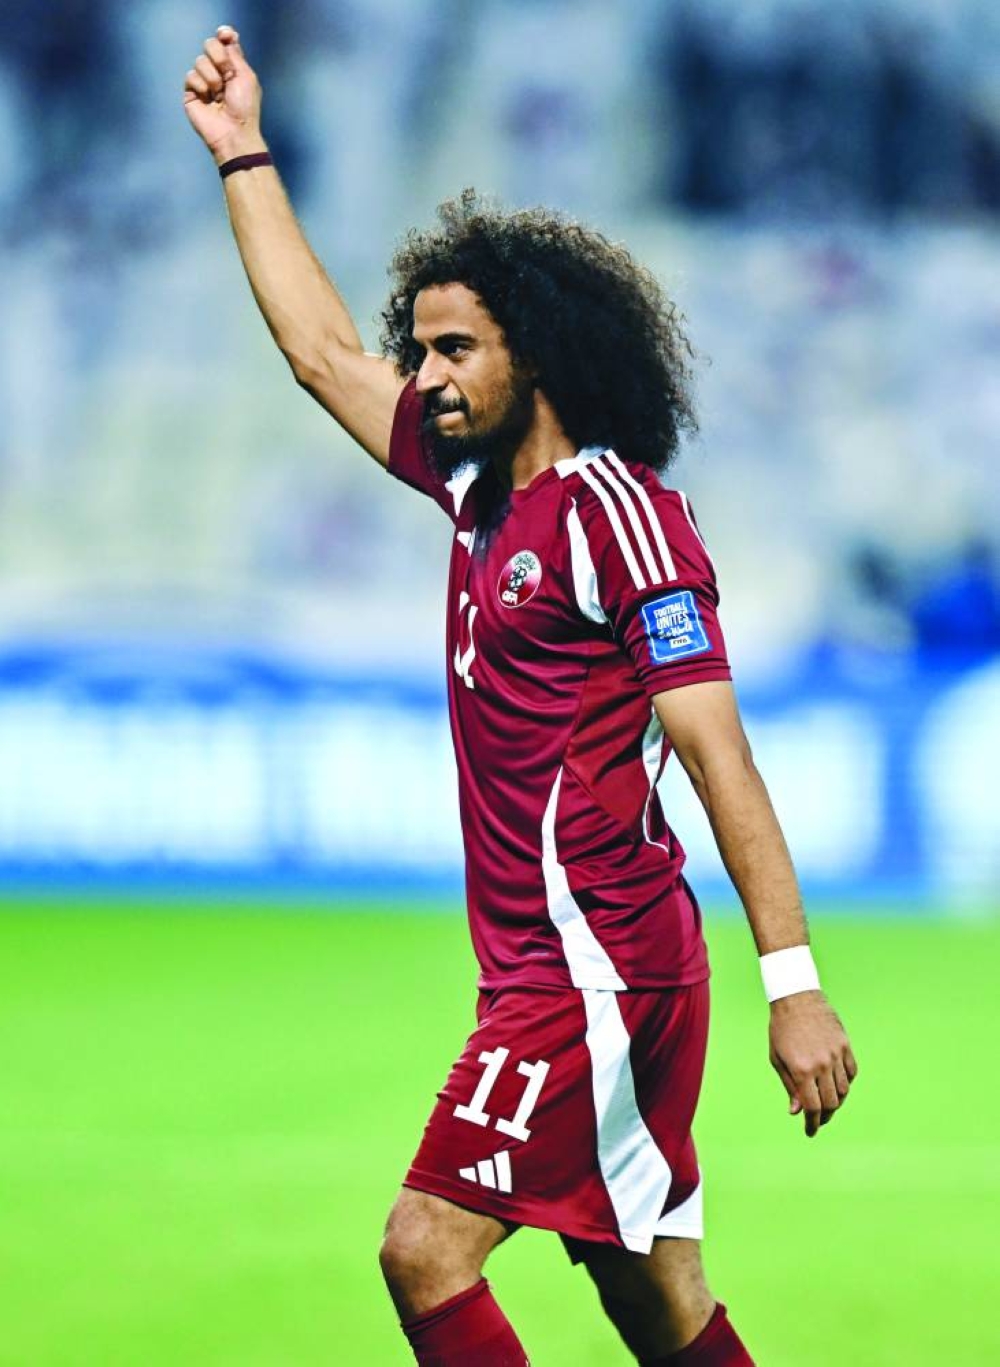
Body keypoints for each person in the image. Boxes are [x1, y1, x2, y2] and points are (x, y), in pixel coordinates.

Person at [183, 26, 858, 1367]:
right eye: (418, 352)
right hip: (565, 967)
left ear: (534, 359)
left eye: (450, 351)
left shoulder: (620, 517)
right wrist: (243, 152)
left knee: (421, 1249)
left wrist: (796, 986)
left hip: (596, 970)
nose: (421, 377)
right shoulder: (475, 490)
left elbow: (717, 754)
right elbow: (321, 353)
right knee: (650, 1299)